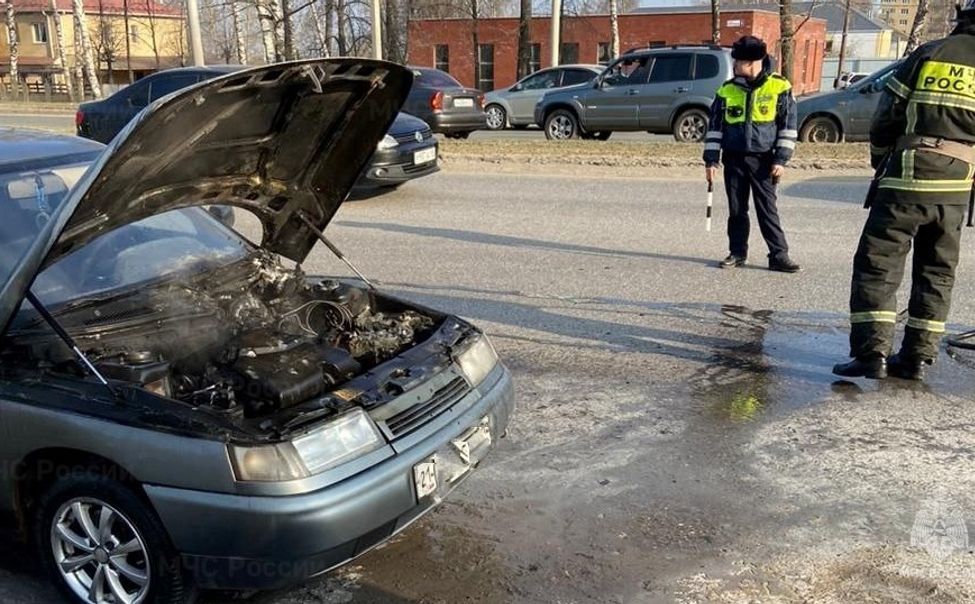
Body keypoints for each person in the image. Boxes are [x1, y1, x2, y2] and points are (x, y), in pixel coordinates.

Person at [832, 0, 975, 381]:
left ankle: (872, 354)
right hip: (958, 187)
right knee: (937, 272)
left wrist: (881, 157)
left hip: (906, 179)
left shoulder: (930, 53)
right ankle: (917, 359)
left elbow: (888, 113)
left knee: (879, 263)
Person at [703, 35, 801, 273]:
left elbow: (788, 127)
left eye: (737, 61)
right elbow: (714, 128)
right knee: (737, 210)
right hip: (734, 159)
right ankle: (737, 253)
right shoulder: (726, 90)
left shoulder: (779, 87)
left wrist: (781, 159)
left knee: (767, 209)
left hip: (764, 161)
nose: (734, 65)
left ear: (751, 63)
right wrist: (711, 160)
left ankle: (779, 255)